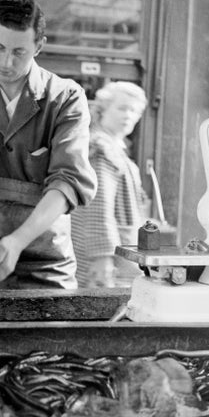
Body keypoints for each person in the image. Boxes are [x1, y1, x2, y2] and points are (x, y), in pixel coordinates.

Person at [0, 0, 97, 289]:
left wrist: (19, 240)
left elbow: (67, 180)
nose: (6, 62)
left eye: (19, 52)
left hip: (44, 259)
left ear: (39, 46)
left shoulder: (65, 97)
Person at [71, 81, 150, 288]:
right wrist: (102, 257)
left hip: (119, 251)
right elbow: (98, 205)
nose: (128, 116)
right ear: (103, 110)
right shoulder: (101, 148)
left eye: (134, 111)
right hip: (107, 258)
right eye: (122, 108)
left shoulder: (113, 147)